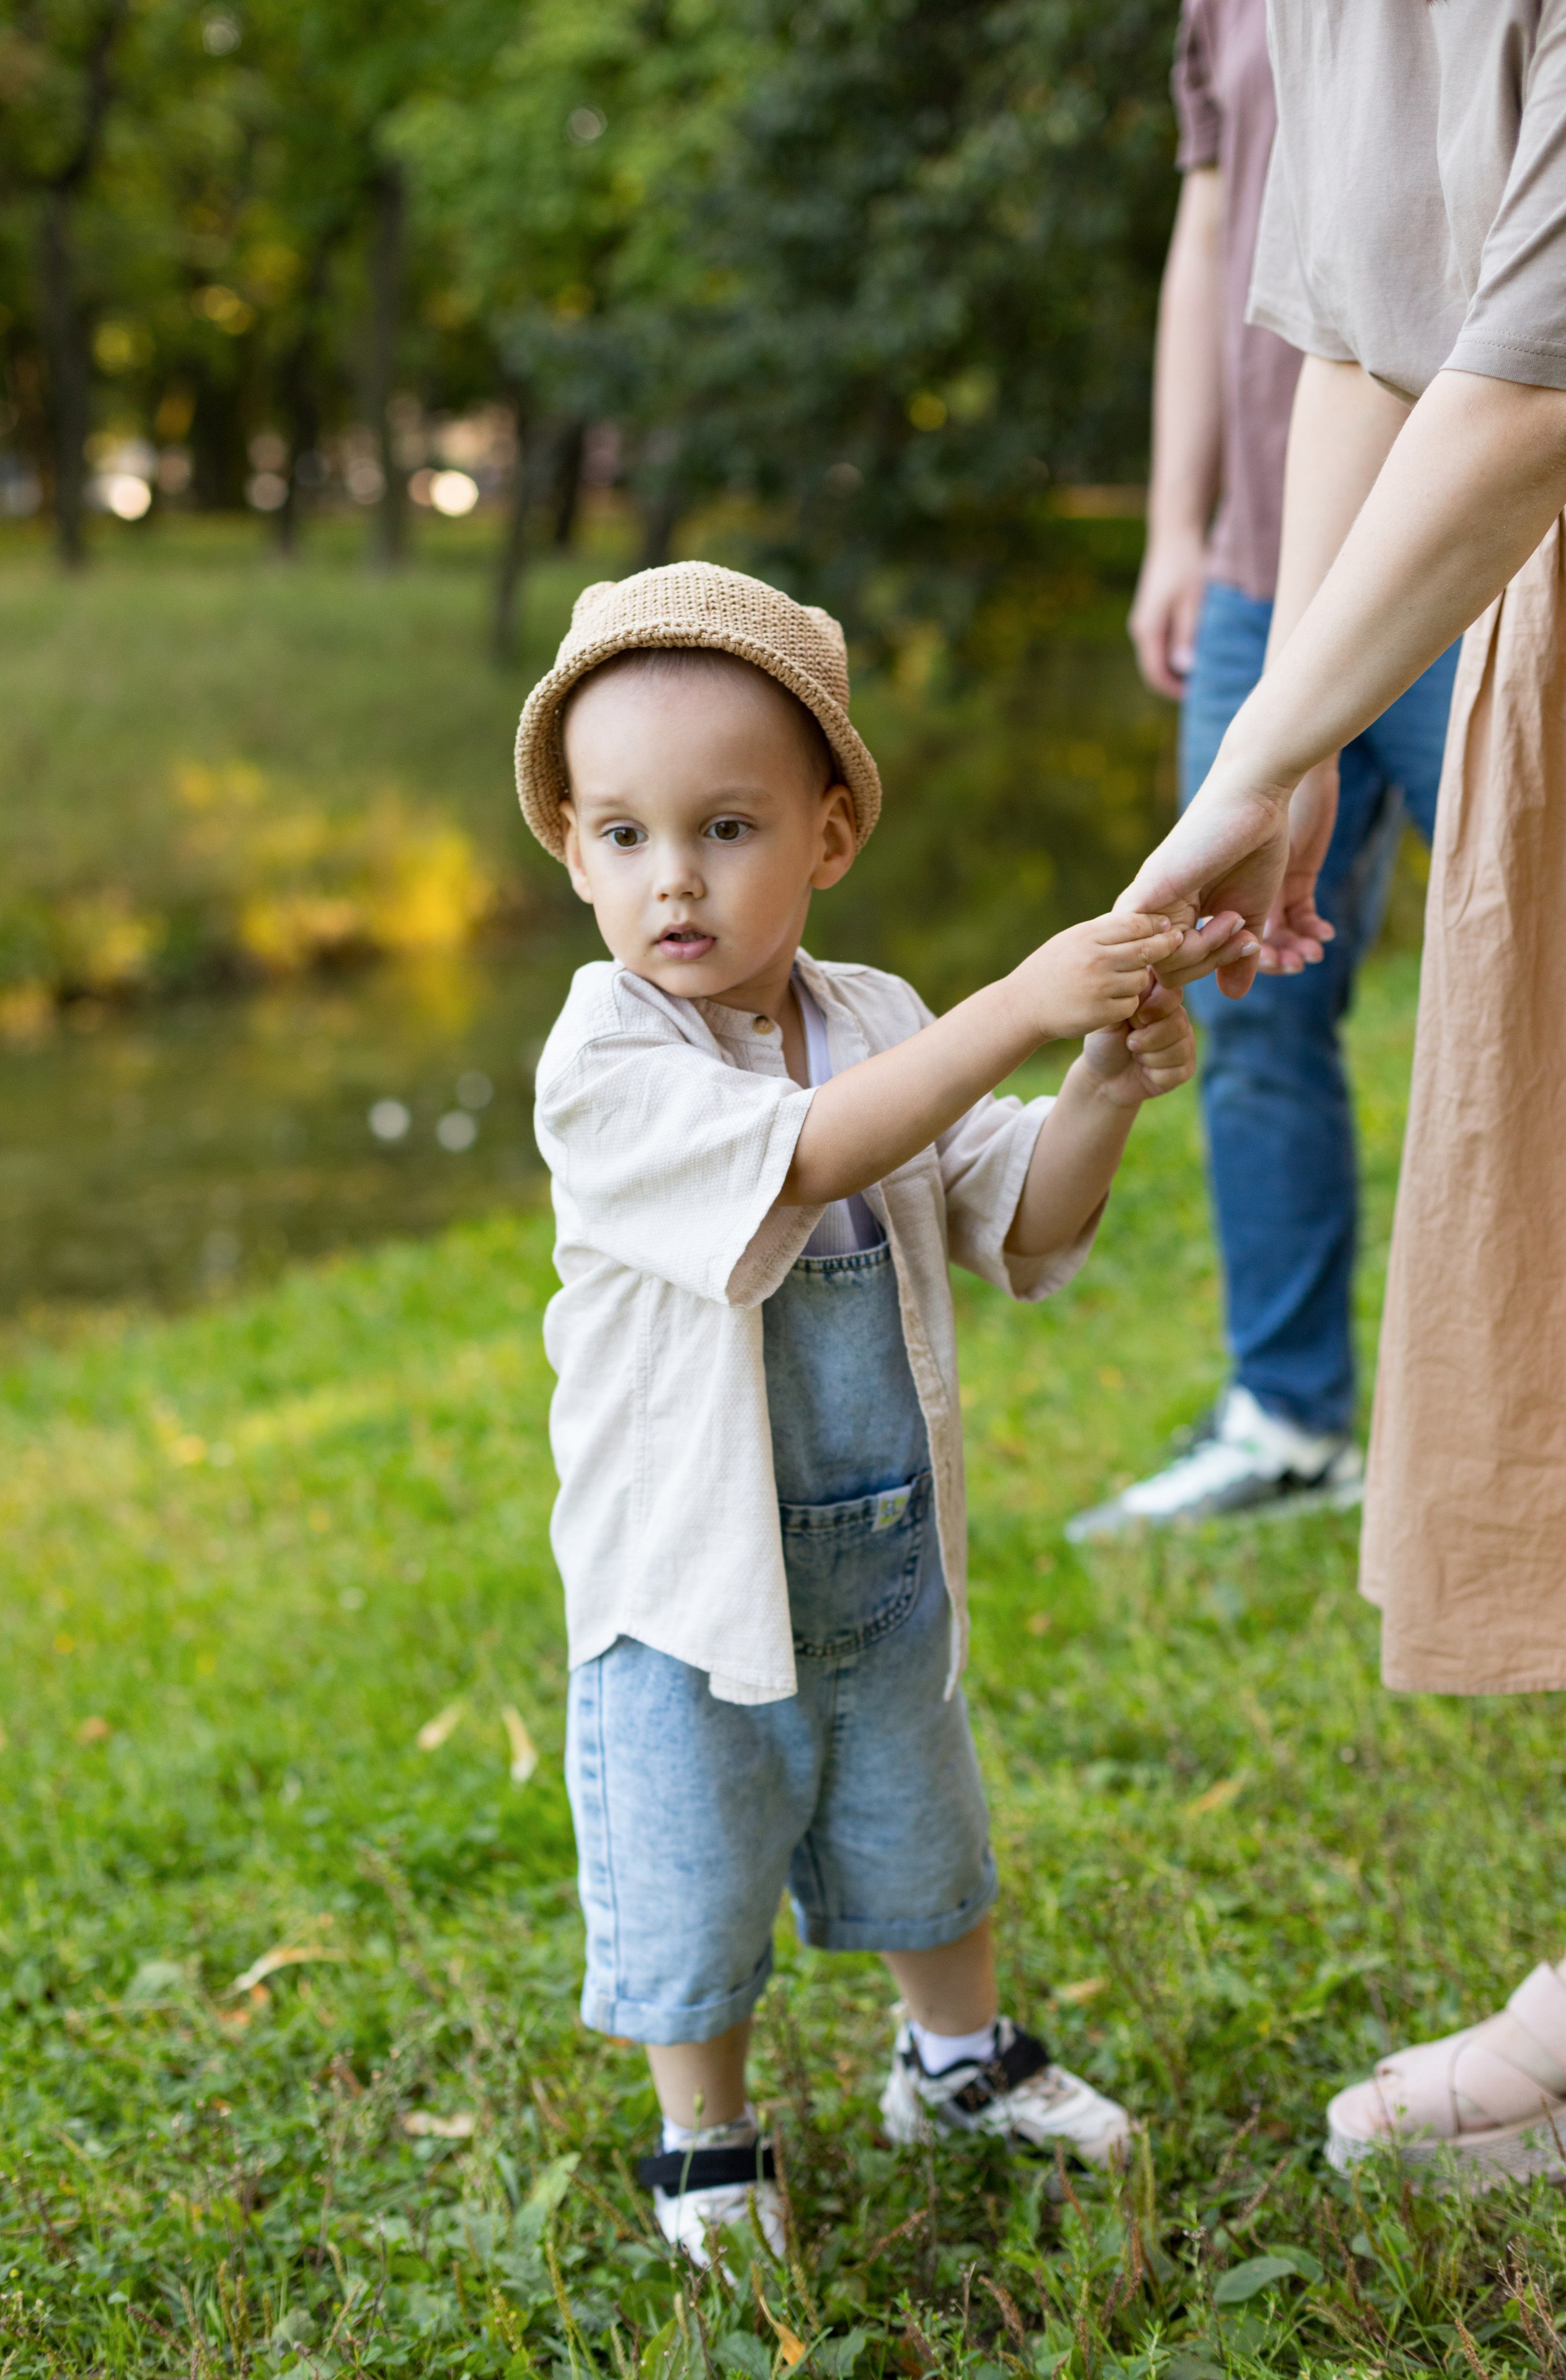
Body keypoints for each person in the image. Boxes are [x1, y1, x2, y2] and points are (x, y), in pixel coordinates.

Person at [517, 561, 1251, 2260]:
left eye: (725, 827)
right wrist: (1021, 1007)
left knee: (925, 1826)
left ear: (830, 838)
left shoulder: (878, 1023)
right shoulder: (605, 1056)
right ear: (571, 848)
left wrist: (1097, 1083)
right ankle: (705, 2137)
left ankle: (957, 2057)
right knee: (693, 1862)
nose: (671, 880)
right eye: (621, 836)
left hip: (880, 1559)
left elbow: (1026, 1221)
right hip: (686, 1586)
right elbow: (811, 1155)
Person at [1118, 2, 1566, 2183]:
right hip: (1509, 597)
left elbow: (1533, 355)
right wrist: (1280, 703)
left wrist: (1286, 736)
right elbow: (1366, 328)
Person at [1069, 0, 1459, 1540]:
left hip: (1467, 560)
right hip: (1255, 578)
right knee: (1249, 995)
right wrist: (1178, 522)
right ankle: (1290, 1419)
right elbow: (1213, 229)